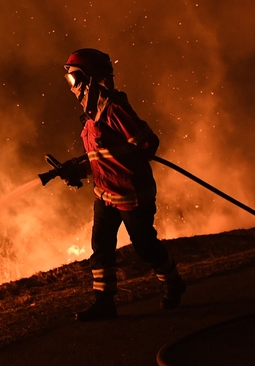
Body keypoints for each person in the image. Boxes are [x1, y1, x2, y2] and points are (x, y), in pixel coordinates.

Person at [55, 48, 186, 321]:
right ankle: (104, 304)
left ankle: (174, 281)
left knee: (144, 246)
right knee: (101, 248)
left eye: (74, 79)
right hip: (105, 194)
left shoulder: (114, 109)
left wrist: (137, 153)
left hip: (132, 194)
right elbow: (100, 159)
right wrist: (76, 170)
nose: (72, 87)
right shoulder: (91, 117)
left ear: (90, 79)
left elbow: (147, 143)